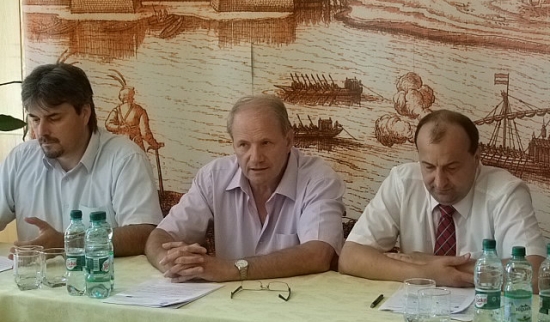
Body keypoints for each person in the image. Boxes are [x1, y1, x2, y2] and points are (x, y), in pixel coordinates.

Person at [145, 94, 345, 282]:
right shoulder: (213, 177)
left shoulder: (318, 179)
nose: (256, 157)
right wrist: (170, 262)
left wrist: (232, 269)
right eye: (244, 145)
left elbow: (319, 254)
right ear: (233, 145)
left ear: (289, 141)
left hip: (296, 300)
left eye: (266, 143)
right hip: (229, 301)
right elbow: (160, 237)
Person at [339, 109, 546, 289]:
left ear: (476, 158)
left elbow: (535, 275)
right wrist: (424, 272)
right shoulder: (402, 182)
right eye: (429, 167)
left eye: (451, 168)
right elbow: (350, 258)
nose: (439, 182)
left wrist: (431, 263)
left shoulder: (506, 191)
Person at [0, 63, 163, 256]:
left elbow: (144, 234)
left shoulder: (125, 158)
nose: (41, 131)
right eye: (35, 119)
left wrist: (68, 243)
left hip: (105, 275)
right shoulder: (20, 159)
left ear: (85, 113)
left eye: (54, 118)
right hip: (36, 275)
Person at [105, 86, 164, 152]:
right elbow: (145, 133)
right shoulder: (140, 110)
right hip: (135, 146)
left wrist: (120, 128)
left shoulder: (116, 110)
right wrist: (154, 144)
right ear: (131, 96)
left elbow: (108, 125)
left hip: (120, 145)